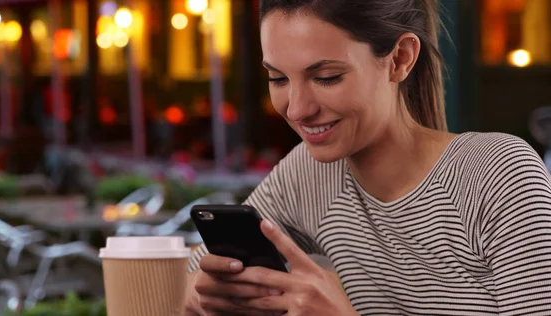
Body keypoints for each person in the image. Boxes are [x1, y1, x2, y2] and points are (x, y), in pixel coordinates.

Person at [184, 0, 551, 315]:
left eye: (326, 77)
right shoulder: (308, 176)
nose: (296, 109)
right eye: (278, 79)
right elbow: (194, 273)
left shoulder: (497, 173)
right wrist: (209, 291)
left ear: (400, 59)